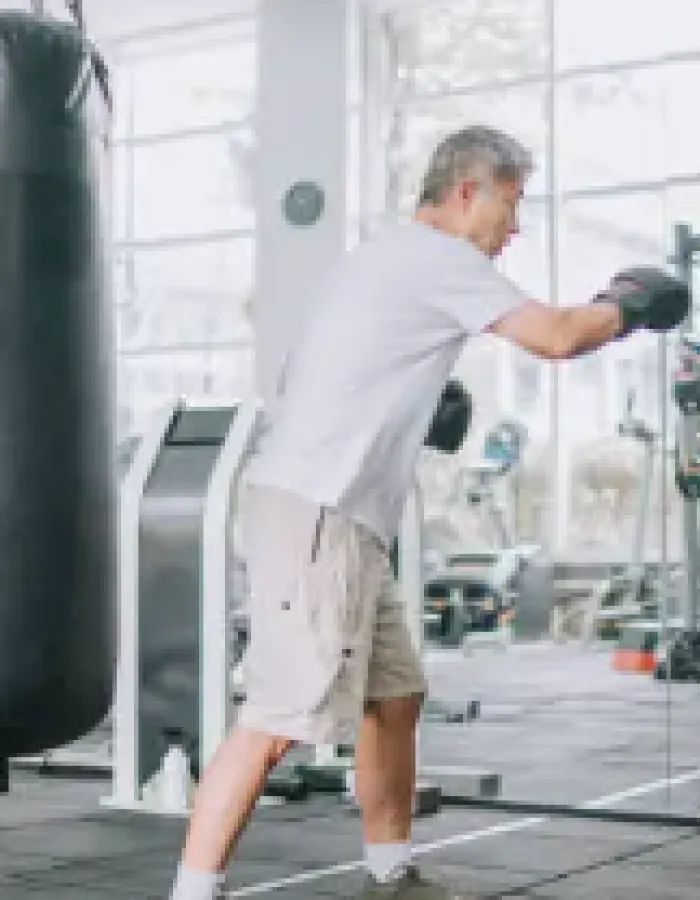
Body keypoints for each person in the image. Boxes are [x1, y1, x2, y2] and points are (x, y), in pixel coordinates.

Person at [168, 125, 689, 900]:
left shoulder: (381, 259)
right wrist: (626, 303)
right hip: (318, 512)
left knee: (395, 697)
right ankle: (191, 892)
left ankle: (391, 873)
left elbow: (305, 370)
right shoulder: (439, 257)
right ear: (466, 191)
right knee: (276, 721)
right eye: (510, 205)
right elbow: (554, 337)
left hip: (345, 519)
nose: (515, 227)